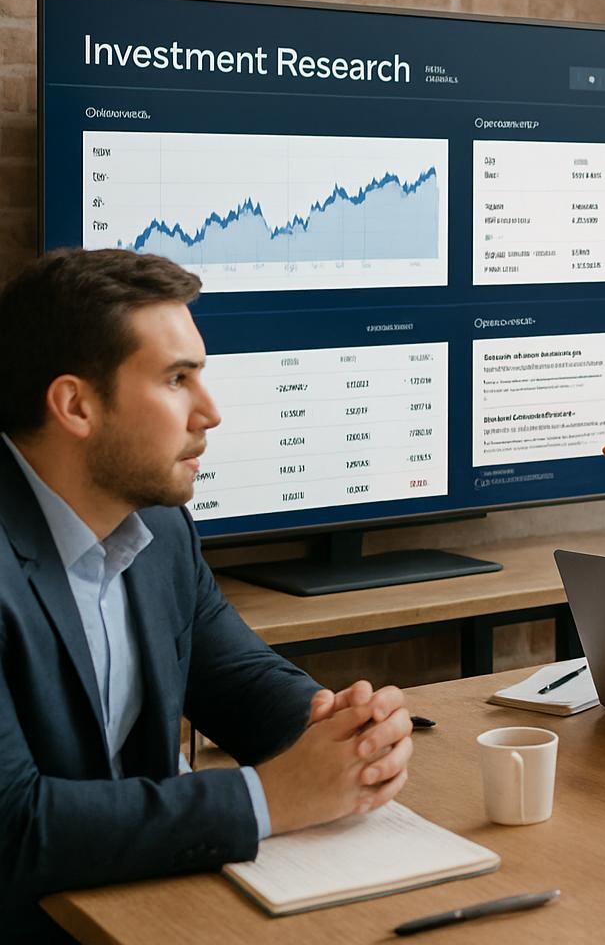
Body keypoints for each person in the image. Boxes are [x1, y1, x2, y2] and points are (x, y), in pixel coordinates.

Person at [0, 249, 415, 940]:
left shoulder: (158, 527)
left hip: (140, 908)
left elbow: (238, 676)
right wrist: (269, 798)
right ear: (75, 404)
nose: (211, 412)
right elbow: (15, 827)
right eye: (176, 379)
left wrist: (344, 734)